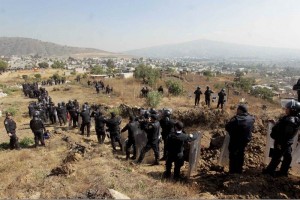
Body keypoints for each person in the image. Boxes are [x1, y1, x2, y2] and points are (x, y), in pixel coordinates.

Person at [263, 100, 300, 177]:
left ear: (293, 110)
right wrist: (275, 123)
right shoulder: (294, 119)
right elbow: (284, 127)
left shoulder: (290, 121)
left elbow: (285, 132)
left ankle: (268, 172)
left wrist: (279, 142)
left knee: (276, 157)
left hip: (282, 142)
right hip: (287, 142)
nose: (285, 109)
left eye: (287, 108)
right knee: (287, 157)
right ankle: (283, 172)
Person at [225, 104, 255, 174]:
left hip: (235, 141)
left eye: (237, 109)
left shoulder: (236, 119)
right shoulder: (251, 118)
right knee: (240, 155)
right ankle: (239, 171)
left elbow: (227, 127)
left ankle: (232, 172)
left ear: (239, 110)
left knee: (233, 156)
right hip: (245, 141)